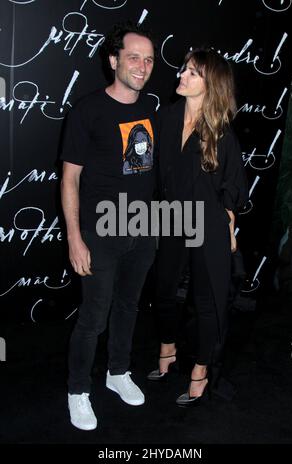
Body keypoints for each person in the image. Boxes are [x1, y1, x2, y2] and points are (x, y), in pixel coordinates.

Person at [60, 21, 156, 430]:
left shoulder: (152, 107)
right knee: (94, 317)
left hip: (145, 228)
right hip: (100, 232)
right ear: (114, 60)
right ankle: (77, 391)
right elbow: (70, 179)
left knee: (129, 307)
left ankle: (118, 372)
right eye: (134, 57)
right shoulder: (88, 109)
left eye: (149, 59)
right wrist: (75, 239)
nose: (142, 65)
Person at [147, 48, 248, 406]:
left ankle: (201, 371)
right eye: (184, 69)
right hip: (171, 220)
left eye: (192, 72)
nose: (182, 76)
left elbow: (233, 185)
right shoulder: (165, 117)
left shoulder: (221, 131)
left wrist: (230, 224)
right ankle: (169, 348)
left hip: (208, 226)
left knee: (207, 302)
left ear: (210, 84)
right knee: (163, 290)